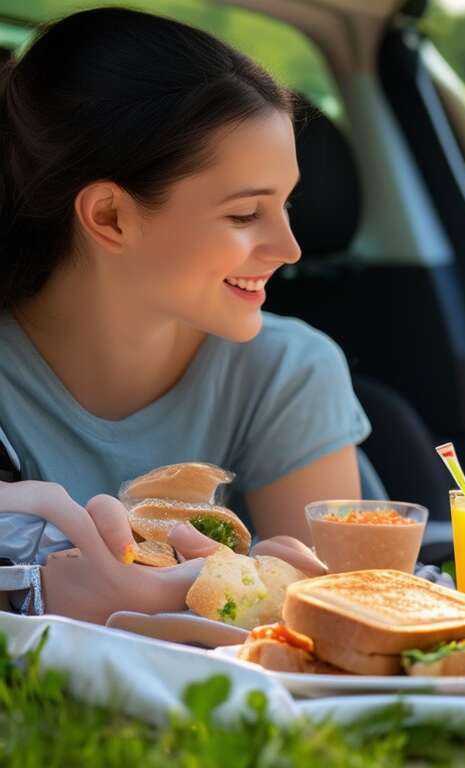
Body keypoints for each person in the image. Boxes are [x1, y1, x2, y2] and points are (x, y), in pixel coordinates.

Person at [0, 8, 370, 621]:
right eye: (246, 214)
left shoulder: (291, 371)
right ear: (110, 217)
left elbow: (345, 634)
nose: (290, 249)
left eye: (286, 204)